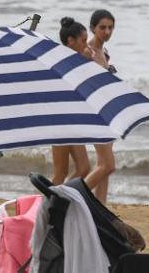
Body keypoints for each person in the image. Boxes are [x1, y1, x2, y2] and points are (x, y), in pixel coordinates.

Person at [50, 17, 92, 186]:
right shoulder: (62, 61)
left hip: (72, 120)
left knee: (84, 168)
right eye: (83, 41)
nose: (86, 45)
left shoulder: (76, 61)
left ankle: (61, 199)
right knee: (60, 173)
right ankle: (44, 208)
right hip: (59, 121)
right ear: (70, 41)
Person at [85, 9, 118, 202]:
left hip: (107, 111)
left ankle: (100, 207)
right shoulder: (88, 52)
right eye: (102, 27)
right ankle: (71, 195)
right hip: (94, 111)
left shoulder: (104, 52)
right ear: (92, 28)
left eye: (110, 27)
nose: (107, 31)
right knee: (108, 165)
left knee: (103, 164)